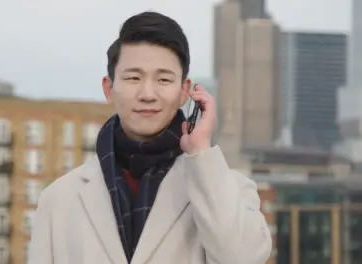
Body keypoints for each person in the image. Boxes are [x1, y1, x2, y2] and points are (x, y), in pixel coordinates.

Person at [29, 11, 272, 264]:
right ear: (109, 88)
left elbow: (242, 258)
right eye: (133, 78)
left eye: (164, 79)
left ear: (184, 91)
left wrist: (201, 151)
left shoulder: (230, 189)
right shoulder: (59, 199)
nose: (147, 93)